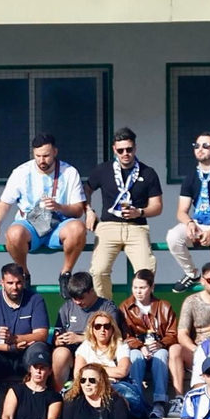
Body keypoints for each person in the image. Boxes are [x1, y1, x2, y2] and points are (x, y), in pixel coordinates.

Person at [0, 134, 88, 286]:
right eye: (38, 156)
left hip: (59, 225)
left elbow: (78, 210)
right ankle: (24, 274)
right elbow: (5, 203)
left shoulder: (69, 172)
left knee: (78, 228)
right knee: (13, 233)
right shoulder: (21, 172)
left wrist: (59, 207)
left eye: (46, 156)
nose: (42, 160)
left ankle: (66, 274)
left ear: (55, 152)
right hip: (30, 225)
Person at [83, 127, 163, 302]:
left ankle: (138, 310)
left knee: (146, 272)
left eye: (129, 149)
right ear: (114, 150)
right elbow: (85, 190)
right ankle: (106, 310)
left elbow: (157, 206)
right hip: (108, 226)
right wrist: (89, 211)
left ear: (135, 148)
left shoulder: (148, 172)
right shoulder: (103, 170)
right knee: (98, 271)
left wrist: (139, 212)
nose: (125, 154)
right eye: (120, 150)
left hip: (137, 227)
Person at [166, 132, 210, 292]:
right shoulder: (190, 177)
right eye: (197, 145)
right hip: (198, 223)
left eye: (206, 146)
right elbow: (181, 211)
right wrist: (189, 223)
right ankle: (191, 273)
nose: (200, 149)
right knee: (173, 237)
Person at [0, 263, 51, 406]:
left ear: (24, 281)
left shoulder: (35, 299)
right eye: (10, 283)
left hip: (25, 355)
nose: (14, 287)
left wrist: (15, 339)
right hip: (0, 357)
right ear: (2, 282)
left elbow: (42, 334)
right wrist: (9, 347)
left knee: (39, 349)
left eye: (18, 282)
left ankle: (39, 404)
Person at [121, 270, 180, 419]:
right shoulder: (125, 308)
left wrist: (161, 344)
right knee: (134, 356)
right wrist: (140, 346)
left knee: (162, 355)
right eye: (135, 287)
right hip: (137, 348)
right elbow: (125, 336)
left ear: (152, 287)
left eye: (142, 288)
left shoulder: (164, 306)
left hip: (158, 348)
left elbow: (172, 334)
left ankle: (159, 403)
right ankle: (137, 400)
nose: (138, 291)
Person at [49, 272, 120, 389]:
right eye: (74, 298)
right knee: (60, 353)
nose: (77, 302)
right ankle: (58, 393)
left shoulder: (107, 307)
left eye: (81, 298)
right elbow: (56, 334)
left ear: (91, 291)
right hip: (71, 352)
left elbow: (112, 335)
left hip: (97, 351)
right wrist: (57, 340)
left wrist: (80, 338)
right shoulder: (67, 307)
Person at [75, 311, 146, 419]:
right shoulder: (85, 347)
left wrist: (94, 370)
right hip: (90, 385)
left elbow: (122, 371)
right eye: (98, 326)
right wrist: (106, 372)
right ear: (92, 329)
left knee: (130, 396)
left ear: (112, 329)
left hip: (116, 385)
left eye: (106, 326)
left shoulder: (121, 345)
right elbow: (78, 374)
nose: (102, 330)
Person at [61, 363, 131, 419]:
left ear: (101, 382)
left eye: (92, 380)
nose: (87, 384)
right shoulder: (72, 402)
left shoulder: (116, 401)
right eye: (83, 380)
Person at [0, 355, 61, 419]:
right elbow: (7, 416)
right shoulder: (15, 390)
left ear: (50, 371)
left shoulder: (55, 397)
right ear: (30, 369)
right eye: (35, 367)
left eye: (43, 368)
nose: (38, 371)